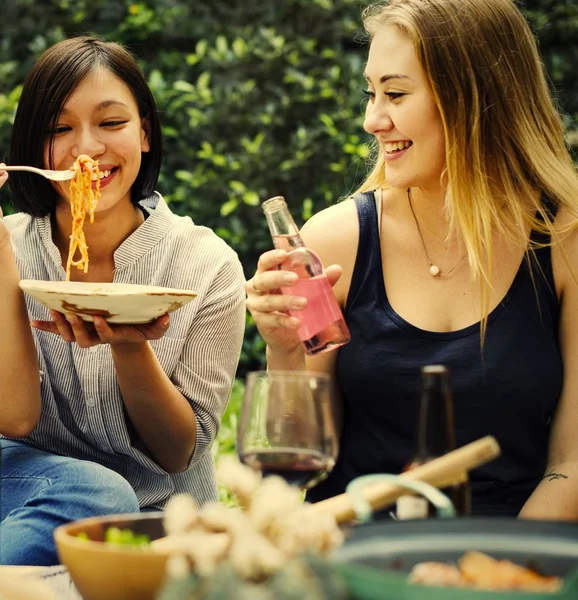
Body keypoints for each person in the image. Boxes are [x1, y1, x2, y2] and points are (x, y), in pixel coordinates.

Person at [246, 0, 578, 521]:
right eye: (371, 92)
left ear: (475, 98)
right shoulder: (335, 243)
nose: (371, 119)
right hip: (355, 557)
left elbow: (572, 463)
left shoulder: (564, 240)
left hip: (514, 559)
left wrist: (496, 570)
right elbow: (293, 461)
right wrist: (284, 350)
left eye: (395, 94)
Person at [0, 36, 245, 565]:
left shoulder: (208, 266)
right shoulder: (7, 245)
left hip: (162, 517)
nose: (86, 149)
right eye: (58, 129)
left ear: (145, 133)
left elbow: (178, 453)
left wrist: (131, 347)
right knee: (90, 492)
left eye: (111, 123)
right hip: (27, 495)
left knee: (106, 497)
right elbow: (13, 420)